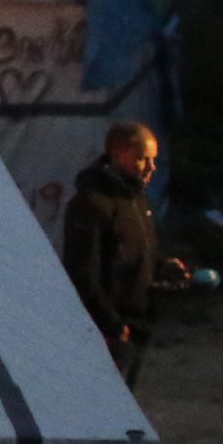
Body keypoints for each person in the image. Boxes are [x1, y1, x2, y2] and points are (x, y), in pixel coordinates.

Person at [59, 121, 170, 384]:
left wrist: (164, 265)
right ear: (120, 154)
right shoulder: (91, 204)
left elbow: (139, 251)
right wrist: (111, 324)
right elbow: (82, 271)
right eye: (143, 160)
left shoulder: (136, 199)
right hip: (108, 331)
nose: (151, 168)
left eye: (154, 160)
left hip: (137, 323)